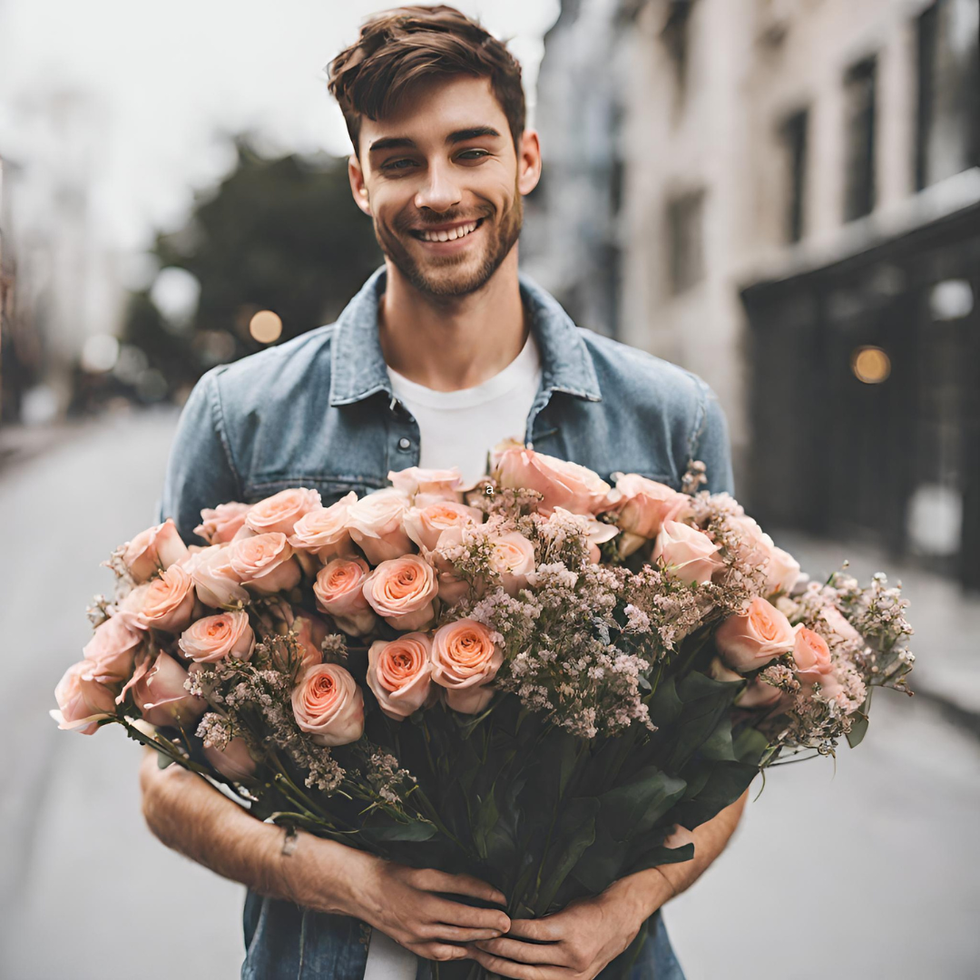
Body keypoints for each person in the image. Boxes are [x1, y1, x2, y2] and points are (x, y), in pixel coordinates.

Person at [141, 6, 748, 978]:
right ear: (358, 180)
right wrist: (352, 884)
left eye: (470, 150)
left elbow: (731, 743)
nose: (437, 191)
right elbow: (168, 778)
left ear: (527, 159)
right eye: (398, 159)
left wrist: (623, 907)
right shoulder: (239, 418)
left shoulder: (667, 419)